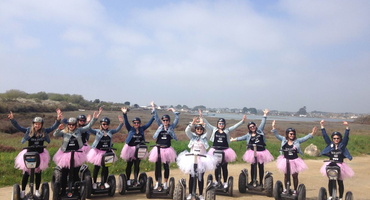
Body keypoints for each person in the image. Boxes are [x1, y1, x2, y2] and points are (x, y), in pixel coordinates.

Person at [8, 109, 62, 198]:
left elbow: (53, 127)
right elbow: (18, 127)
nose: (37, 125)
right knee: (26, 173)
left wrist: (58, 119)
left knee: (38, 173)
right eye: (36, 124)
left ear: (41, 125)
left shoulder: (44, 131)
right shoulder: (29, 131)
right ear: (33, 124)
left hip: (40, 155)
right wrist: (12, 120)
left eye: (39, 124)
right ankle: (23, 191)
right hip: (29, 154)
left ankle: (37, 190)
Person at [53, 108, 102, 194]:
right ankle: (64, 190)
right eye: (69, 124)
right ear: (68, 125)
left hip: (77, 154)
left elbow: (88, 126)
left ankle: (75, 190)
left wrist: (94, 118)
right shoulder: (64, 131)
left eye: (73, 125)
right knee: (64, 174)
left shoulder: (79, 130)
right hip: (65, 154)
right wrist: (58, 129)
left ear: (75, 125)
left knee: (75, 174)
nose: (71, 126)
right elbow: (55, 135)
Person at [271, 120, 317, 195]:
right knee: (286, 176)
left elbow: (305, 138)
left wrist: (312, 133)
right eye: (290, 134)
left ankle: (295, 190)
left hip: (295, 160)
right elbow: (276, 135)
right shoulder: (283, 140)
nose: (292, 135)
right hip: (285, 160)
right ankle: (286, 189)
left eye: (293, 134)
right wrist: (273, 126)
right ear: (287, 134)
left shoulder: (297, 141)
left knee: (295, 176)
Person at [231, 109, 274, 187]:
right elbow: (242, 137)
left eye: (253, 126)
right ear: (249, 128)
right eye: (250, 127)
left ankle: (261, 182)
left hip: (261, 151)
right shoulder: (248, 135)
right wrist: (234, 139)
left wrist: (265, 115)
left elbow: (263, 123)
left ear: (255, 126)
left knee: (261, 166)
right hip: (252, 152)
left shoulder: (260, 131)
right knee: (253, 166)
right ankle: (252, 181)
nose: (252, 128)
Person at [177, 116, 217, 200]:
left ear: (202, 130)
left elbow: (210, 130)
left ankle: (201, 194)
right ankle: (191, 193)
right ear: (195, 130)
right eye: (197, 129)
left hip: (202, 159)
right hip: (192, 158)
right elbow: (186, 131)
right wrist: (192, 124)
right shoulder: (192, 137)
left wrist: (204, 124)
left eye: (201, 129)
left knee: (200, 177)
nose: (199, 130)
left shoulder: (205, 137)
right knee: (191, 176)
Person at [203, 113, 246, 188]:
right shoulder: (214, 129)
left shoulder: (227, 130)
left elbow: (235, 126)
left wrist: (242, 121)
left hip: (225, 150)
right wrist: (201, 116)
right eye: (220, 123)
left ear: (224, 124)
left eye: (222, 123)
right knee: (216, 167)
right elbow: (207, 124)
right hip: (215, 150)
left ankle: (225, 182)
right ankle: (217, 181)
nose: (221, 125)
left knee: (224, 167)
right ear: (217, 124)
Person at [87, 109, 124, 189]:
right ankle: (95, 182)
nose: (105, 125)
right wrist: (89, 121)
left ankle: (104, 182)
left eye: (107, 124)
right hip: (97, 152)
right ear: (101, 124)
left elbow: (117, 130)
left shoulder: (110, 132)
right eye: (103, 124)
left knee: (106, 167)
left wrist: (121, 123)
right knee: (97, 167)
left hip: (107, 151)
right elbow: (89, 129)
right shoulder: (97, 131)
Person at [120, 106, 155, 186]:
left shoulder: (142, 129)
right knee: (129, 164)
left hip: (139, 149)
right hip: (130, 149)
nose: (136, 124)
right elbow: (126, 122)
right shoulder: (130, 129)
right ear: (133, 123)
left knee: (137, 164)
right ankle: (128, 180)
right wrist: (124, 113)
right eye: (135, 123)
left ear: (140, 123)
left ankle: (136, 179)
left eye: (138, 123)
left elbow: (149, 123)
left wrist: (154, 115)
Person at [319, 120, 354, 200]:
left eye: (338, 138)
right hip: (331, 164)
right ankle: (331, 196)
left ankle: (341, 197)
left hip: (340, 165)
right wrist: (322, 126)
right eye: (334, 138)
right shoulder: (330, 145)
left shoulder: (342, 145)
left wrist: (347, 127)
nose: (336, 139)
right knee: (330, 180)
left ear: (340, 139)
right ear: (332, 139)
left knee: (340, 181)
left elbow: (346, 137)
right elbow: (325, 136)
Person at [148, 101, 179, 190]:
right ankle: (157, 183)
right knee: (157, 167)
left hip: (167, 149)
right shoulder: (160, 126)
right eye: (164, 120)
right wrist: (153, 106)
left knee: (166, 167)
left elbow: (177, 118)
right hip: (158, 149)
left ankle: (165, 183)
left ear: (169, 121)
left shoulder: (171, 127)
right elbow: (155, 116)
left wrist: (173, 110)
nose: (165, 121)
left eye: (167, 120)